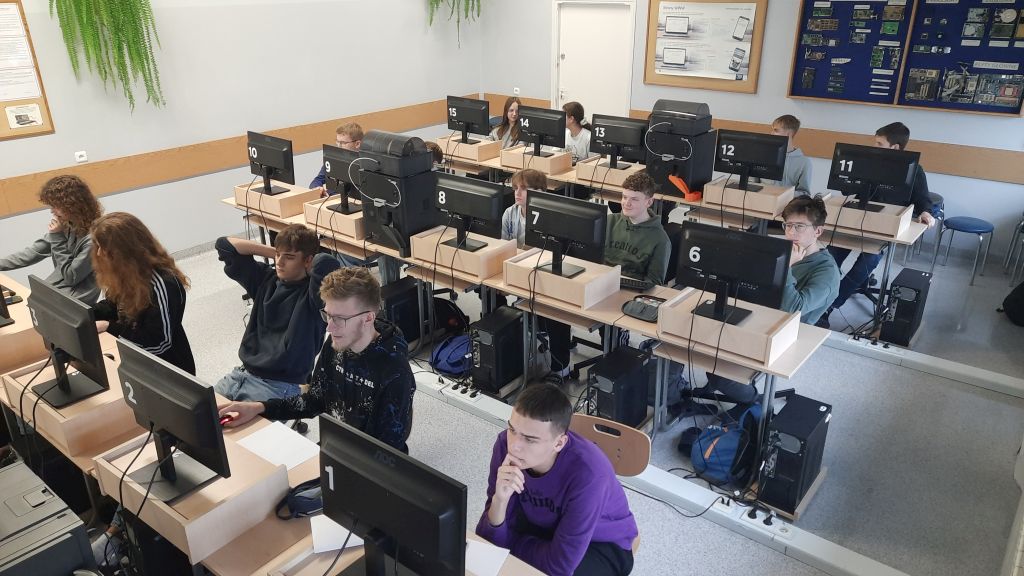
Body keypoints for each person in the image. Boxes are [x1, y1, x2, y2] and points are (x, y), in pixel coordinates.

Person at [218, 267, 415, 452]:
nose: (329, 327)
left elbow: (388, 450)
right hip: (334, 450)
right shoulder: (337, 344)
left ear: (368, 318)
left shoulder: (394, 371)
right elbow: (315, 400)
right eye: (328, 316)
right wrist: (260, 407)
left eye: (339, 319)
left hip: (368, 463)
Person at [476, 383, 637, 576]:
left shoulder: (590, 475)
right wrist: (500, 500)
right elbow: (486, 541)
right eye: (512, 429)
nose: (515, 446)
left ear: (559, 443)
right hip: (543, 526)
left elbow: (558, 568)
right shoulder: (505, 445)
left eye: (530, 439)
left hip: (599, 542)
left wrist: (512, 544)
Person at [701, 196, 840, 404]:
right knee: (693, 340)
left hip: (784, 334)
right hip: (759, 315)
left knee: (720, 374)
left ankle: (755, 401)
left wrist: (787, 268)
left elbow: (793, 309)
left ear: (818, 231)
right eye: (788, 226)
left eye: (799, 227)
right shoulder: (786, 250)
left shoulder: (827, 273)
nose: (791, 232)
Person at [819, 121, 934, 328]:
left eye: (879, 144)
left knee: (866, 264)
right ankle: (820, 298)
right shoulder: (867, 161)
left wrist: (926, 211)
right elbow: (847, 189)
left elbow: (922, 198)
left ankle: (830, 306)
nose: (874, 147)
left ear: (895, 147)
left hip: (885, 226)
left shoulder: (914, 170)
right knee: (831, 256)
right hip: (855, 219)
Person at [214, 224, 341, 402]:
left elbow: (327, 262)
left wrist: (305, 258)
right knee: (199, 412)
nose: (279, 262)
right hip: (240, 375)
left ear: (308, 261)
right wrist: (277, 251)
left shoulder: (315, 295)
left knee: (230, 421)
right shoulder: (265, 279)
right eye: (278, 255)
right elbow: (225, 245)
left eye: (289, 257)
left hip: (279, 386)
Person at [90, 212, 195, 374]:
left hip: (167, 369)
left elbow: (159, 342)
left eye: (104, 248)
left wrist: (109, 327)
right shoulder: (126, 273)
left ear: (124, 250)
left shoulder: (164, 284)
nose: (99, 253)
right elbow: (112, 305)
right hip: (134, 356)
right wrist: (87, 314)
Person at [0, 175, 103, 303]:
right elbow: (33, 252)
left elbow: (71, 277)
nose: (52, 211)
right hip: (57, 293)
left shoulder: (94, 238)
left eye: (55, 206)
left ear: (72, 205)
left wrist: (57, 236)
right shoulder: (67, 224)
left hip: (74, 301)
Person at [605, 172, 671, 286]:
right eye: (624, 197)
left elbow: (654, 283)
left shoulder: (661, 240)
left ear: (649, 202)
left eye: (634, 199)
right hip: (601, 281)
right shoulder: (609, 221)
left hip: (630, 289)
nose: (627, 203)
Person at [310, 122, 364, 196]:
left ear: (357, 144)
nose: (339, 145)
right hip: (332, 198)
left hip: (352, 201)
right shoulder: (334, 158)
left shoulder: (365, 164)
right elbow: (318, 179)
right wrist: (317, 188)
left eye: (343, 143)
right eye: (337, 141)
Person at [501, 169, 547, 249]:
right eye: (516, 188)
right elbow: (502, 243)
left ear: (539, 192)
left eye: (524, 188)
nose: (517, 193)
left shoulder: (546, 218)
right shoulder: (509, 212)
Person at [769, 115, 812, 196]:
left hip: (788, 203)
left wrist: (783, 195)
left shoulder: (804, 163)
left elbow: (805, 194)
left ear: (788, 134)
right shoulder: (765, 156)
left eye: (776, 130)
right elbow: (752, 185)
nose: (771, 133)